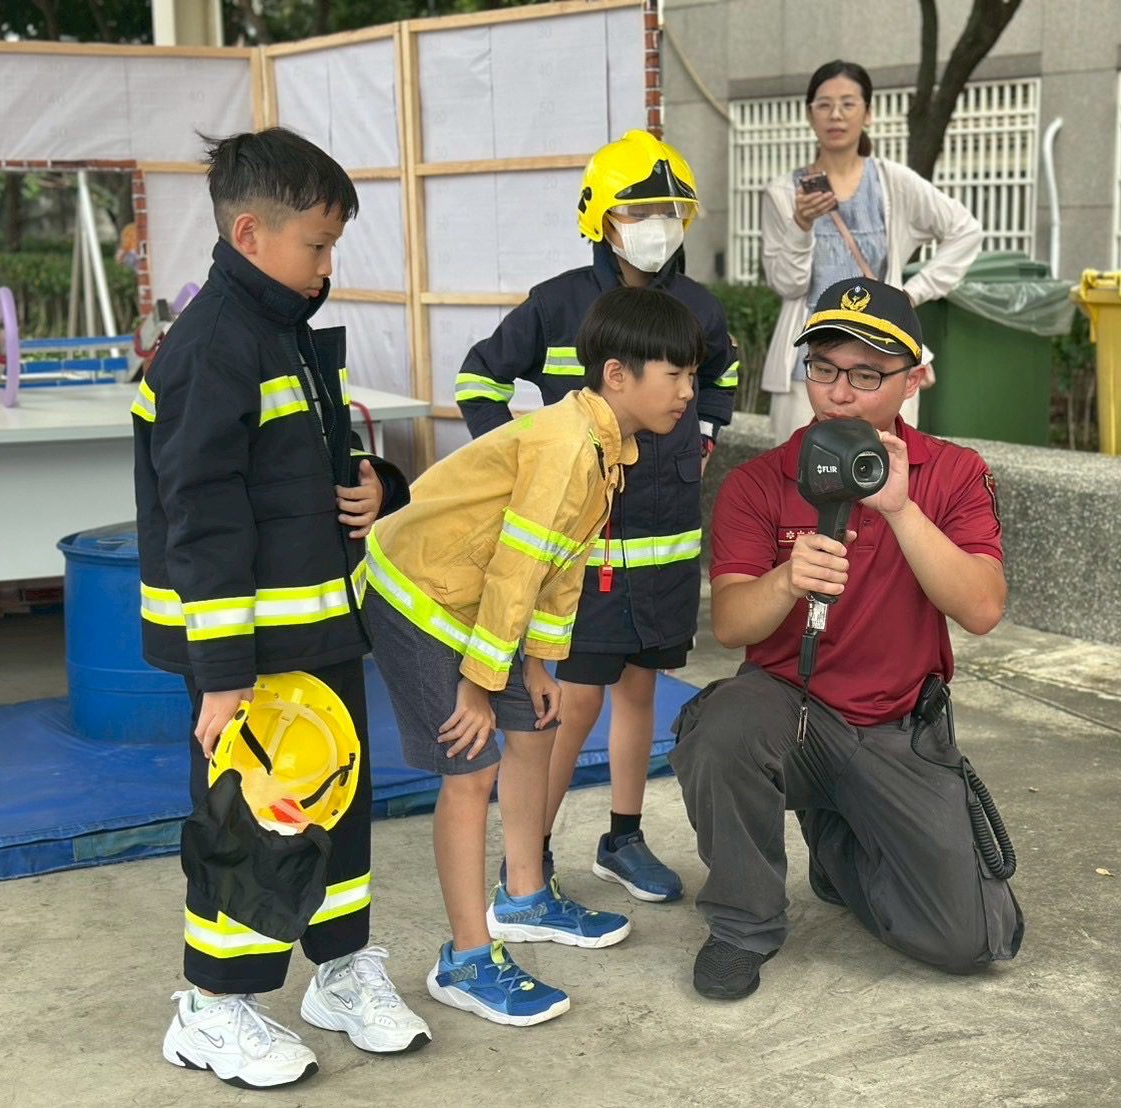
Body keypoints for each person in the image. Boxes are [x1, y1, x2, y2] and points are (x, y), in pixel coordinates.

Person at [133, 127, 423, 1090]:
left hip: (317, 632)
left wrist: (379, 484)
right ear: (250, 233)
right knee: (253, 825)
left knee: (334, 807)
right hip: (247, 652)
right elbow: (203, 519)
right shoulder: (212, 346)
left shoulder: (284, 329)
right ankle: (214, 1008)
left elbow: (304, 469)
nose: (327, 264)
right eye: (317, 245)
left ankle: (339, 973)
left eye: (334, 244)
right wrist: (221, 677)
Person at [670, 277, 1024, 1000]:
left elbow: (982, 609)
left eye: (866, 375)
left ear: (911, 379)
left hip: (897, 727)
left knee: (967, 941)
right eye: (825, 369)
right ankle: (743, 924)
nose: (839, 393)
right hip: (788, 713)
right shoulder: (759, 482)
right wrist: (786, 579)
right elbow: (733, 625)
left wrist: (899, 511)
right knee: (720, 730)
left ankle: (836, 847)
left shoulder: (952, 473)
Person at [368, 286, 704, 1025]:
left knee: (536, 727)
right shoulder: (563, 447)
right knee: (471, 762)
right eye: (674, 375)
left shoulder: (605, 445)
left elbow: (562, 564)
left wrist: (535, 664)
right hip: (421, 594)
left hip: (477, 598)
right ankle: (463, 958)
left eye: (692, 375)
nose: (688, 391)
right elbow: (518, 568)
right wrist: (479, 686)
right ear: (617, 376)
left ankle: (523, 896)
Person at [455, 130, 738, 904]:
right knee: (570, 702)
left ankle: (621, 837)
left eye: (674, 209)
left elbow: (723, 379)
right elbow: (480, 378)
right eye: (641, 209)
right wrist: (516, 457)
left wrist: (705, 431)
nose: (660, 224)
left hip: (667, 544)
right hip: (584, 548)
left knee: (641, 690)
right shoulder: (555, 304)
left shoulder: (699, 309)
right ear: (600, 217)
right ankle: (530, 857)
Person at [760, 59, 982, 441]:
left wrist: (911, 293)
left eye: (848, 104)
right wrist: (801, 224)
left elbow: (965, 230)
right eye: (824, 104)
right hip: (810, 364)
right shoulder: (783, 193)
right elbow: (788, 285)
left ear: (868, 114)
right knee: (802, 481)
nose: (836, 115)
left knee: (884, 479)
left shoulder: (893, 181)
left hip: (884, 361)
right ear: (809, 115)